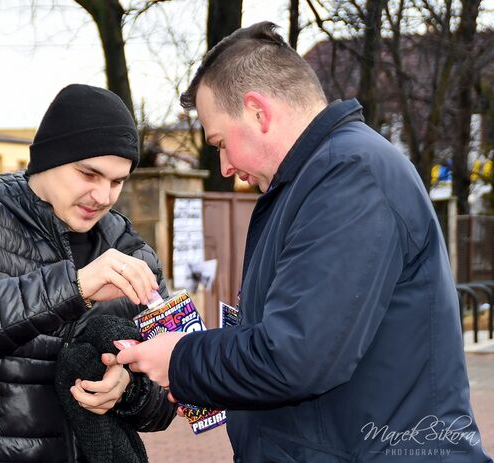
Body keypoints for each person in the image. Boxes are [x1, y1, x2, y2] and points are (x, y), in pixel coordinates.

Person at [117, 22, 492, 462]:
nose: (223, 166)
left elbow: (295, 356)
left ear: (258, 113)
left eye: (220, 142)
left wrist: (180, 360)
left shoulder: (350, 176)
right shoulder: (317, 180)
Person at [0, 84, 176, 463]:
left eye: (117, 181)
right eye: (88, 174)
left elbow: (166, 401)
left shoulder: (131, 250)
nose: (103, 196)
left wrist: (127, 389)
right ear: (48, 159)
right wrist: (75, 286)